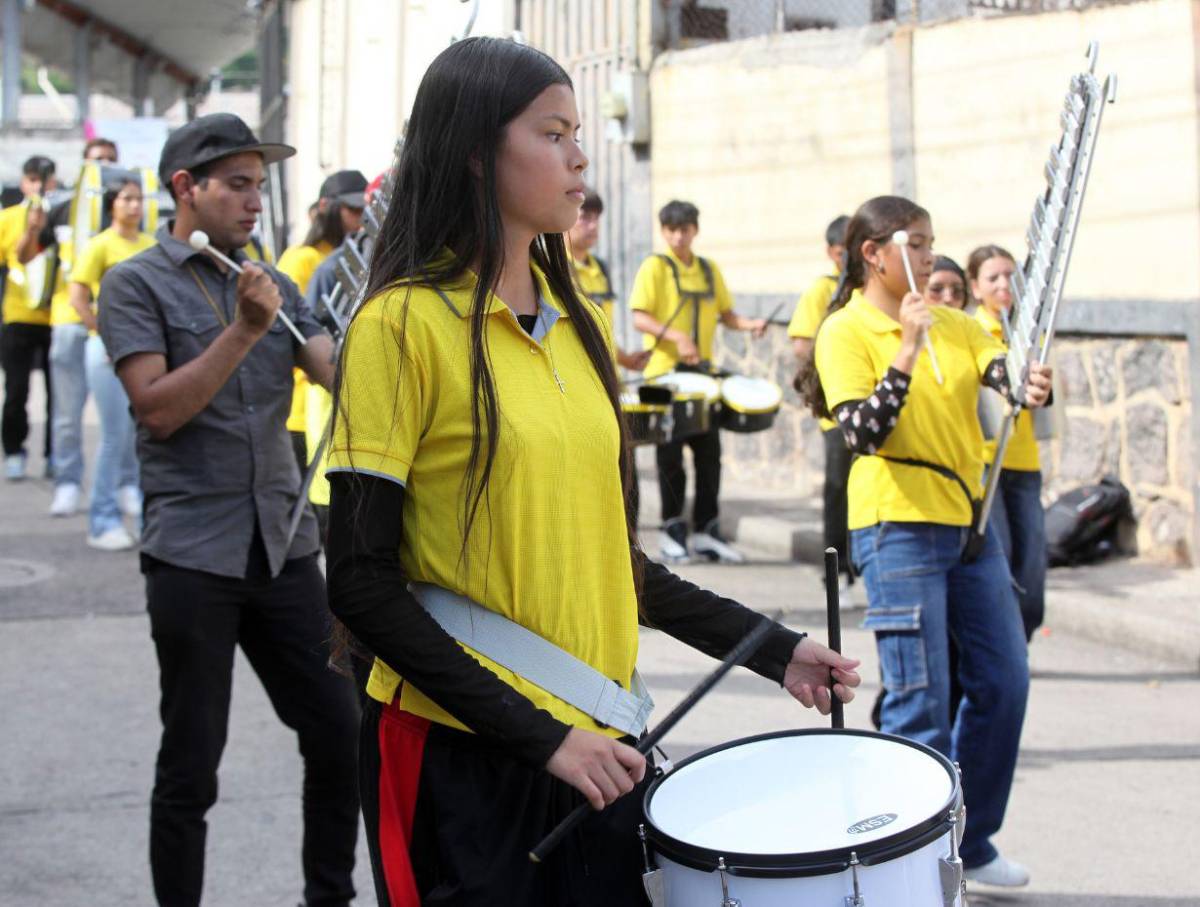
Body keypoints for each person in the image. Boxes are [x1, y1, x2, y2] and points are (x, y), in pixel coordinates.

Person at [324, 37, 860, 907]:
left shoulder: (573, 329)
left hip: (597, 749)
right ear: (472, 151)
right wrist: (543, 739)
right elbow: (357, 582)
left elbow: (617, 566)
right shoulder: (399, 327)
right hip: (458, 756)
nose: (579, 155)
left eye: (578, 131)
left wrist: (775, 649)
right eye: (551, 133)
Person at [96, 112, 360, 907]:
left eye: (259, 185)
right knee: (192, 761)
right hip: (193, 557)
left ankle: (329, 897)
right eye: (237, 185)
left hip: (281, 548)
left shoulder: (272, 282)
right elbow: (157, 410)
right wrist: (245, 331)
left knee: (339, 732)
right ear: (187, 187)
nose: (254, 202)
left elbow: (335, 371)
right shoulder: (135, 283)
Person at [801, 195, 1052, 888]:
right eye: (914, 244)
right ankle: (915, 862)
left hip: (969, 523)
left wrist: (1028, 380)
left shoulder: (959, 324)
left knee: (1005, 679)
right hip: (896, 523)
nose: (927, 258)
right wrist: (907, 348)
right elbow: (863, 433)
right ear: (874, 253)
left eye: (933, 243)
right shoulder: (846, 331)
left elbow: (1004, 374)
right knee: (920, 698)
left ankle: (971, 839)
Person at [630, 199, 767, 564]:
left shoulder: (708, 270)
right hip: (662, 375)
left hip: (702, 375)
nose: (678, 237)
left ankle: (708, 531)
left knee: (710, 455)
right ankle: (673, 531)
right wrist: (676, 337)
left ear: (695, 231)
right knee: (669, 456)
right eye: (671, 230)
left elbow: (727, 315)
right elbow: (639, 317)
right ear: (663, 232)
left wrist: (750, 325)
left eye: (685, 229)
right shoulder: (655, 267)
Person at [68, 175, 156, 550]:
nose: (134, 205)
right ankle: (102, 519)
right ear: (112, 206)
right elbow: (77, 297)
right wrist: (105, 335)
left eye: (138, 199)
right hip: (106, 352)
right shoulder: (98, 245)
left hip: (142, 351)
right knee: (113, 435)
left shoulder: (151, 245)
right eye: (126, 199)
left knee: (138, 434)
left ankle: (128, 492)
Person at [968, 244, 1048, 641]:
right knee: (1001, 559)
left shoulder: (1031, 333)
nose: (1004, 286)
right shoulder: (971, 332)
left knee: (1032, 565)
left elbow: (1046, 399)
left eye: (1010, 277)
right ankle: (1006, 641)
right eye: (993, 278)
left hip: (1025, 462)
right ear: (975, 287)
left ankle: (1022, 635)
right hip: (986, 464)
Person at [47, 138, 124, 517]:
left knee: (120, 421)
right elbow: (32, 256)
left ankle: (125, 484)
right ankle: (68, 482)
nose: (104, 166)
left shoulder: (128, 214)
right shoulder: (63, 209)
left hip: (108, 331)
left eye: (110, 160)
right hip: (68, 322)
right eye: (97, 160)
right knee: (67, 413)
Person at [788, 214, 861, 603]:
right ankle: (838, 575)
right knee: (838, 489)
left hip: (874, 405)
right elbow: (801, 342)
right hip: (837, 406)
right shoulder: (824, 289)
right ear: (833, 253)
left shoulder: (869, 288)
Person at [278, 170, 368, 479]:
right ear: (327, 207)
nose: (360, 218)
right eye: (353, 210)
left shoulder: (353, 257)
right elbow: (292, 329)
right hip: (305, 409)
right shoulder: (303, 258)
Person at [1, 155, 56, 481]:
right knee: (16, 390)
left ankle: (53, 454)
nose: (38, 186)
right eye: (33, 179)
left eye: (44, 180)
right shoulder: (8, 218)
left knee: (59, 396)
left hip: (55, 317)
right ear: (24, 182)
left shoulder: (62, 215)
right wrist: (31, 229)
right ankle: (13, 450)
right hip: (18, 316)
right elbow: (19, 258)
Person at [566, 188, 651, 371]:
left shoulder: (600, 269)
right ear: (564, 217)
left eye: (596, 218)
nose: (594, 225)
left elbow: (602, 334)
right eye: (585, 217)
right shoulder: (550, 270)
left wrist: (626, 360)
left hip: (607, 382)